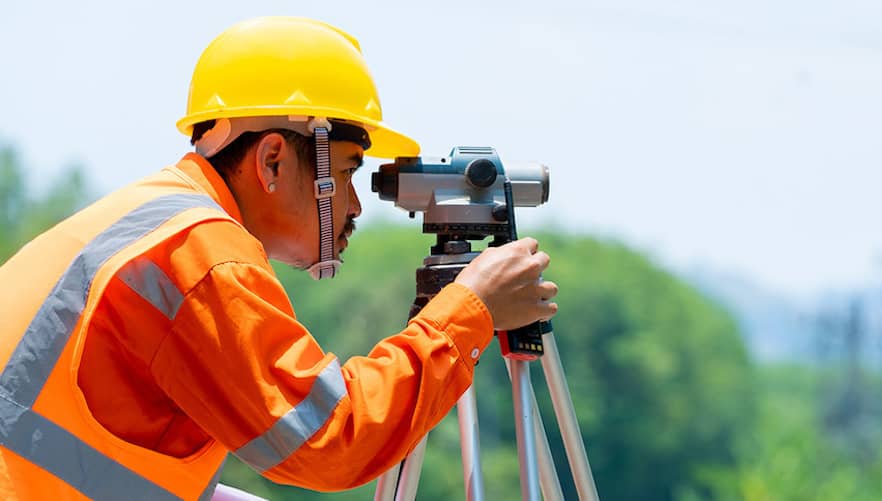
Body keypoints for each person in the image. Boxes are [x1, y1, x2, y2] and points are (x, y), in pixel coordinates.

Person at [0, 16, 558, 500]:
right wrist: (470, 311)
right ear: (271, 161)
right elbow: (330, 439)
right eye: (345, 172)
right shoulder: (204, 257)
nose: (356, 202)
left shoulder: (152, 216)